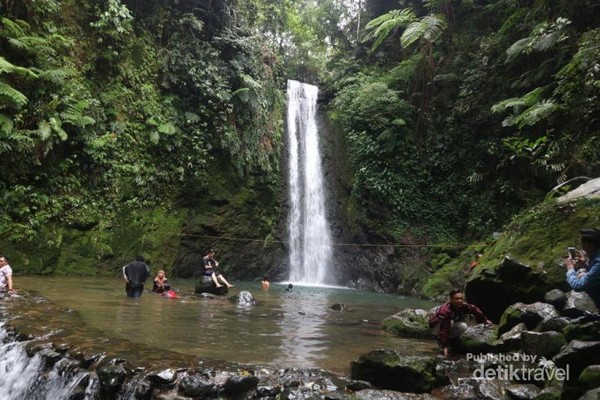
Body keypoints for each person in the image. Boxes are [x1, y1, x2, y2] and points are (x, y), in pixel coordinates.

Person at [429, 288, 492, 357]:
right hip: (437, 327)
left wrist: (485, 320)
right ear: (451, 300)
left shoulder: (463, 306)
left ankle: (450, 341)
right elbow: (444, 330)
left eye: (461, 298)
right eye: (457, 299)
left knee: (463, 326)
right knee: (450, 323)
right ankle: (440, 341)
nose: (459, 301)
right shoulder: (445, 311)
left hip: (449, 325)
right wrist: (445, 348)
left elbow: (474, 309)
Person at [565, 228, 600, 309]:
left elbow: (578, 286)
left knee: (580, 275)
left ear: (588, 245)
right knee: (582, 273)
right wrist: (584, 265)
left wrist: (570, 269)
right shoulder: (595, 257)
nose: (582, 247)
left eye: (583, 244)